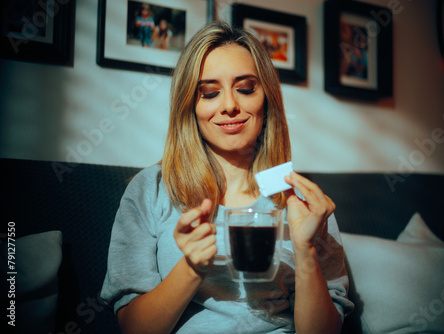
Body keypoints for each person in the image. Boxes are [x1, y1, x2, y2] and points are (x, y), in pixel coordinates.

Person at [101, 21, 354, 333]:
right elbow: (134, 328)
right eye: (209, 93)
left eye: (246, 89)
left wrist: (306, 251)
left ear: (267, 98)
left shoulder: (302, 200)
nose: (230, 105)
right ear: (189, 105)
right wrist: (192, 268)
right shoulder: (151, 189)